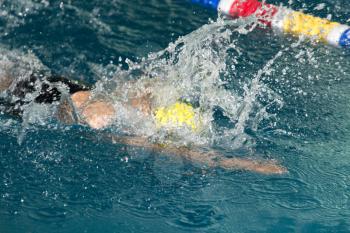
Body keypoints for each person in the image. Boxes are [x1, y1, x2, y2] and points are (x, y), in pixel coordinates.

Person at [0, 72, 287, 174]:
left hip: (63, 88)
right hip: (33, 99)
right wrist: (243, 164)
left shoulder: (128, 101)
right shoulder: (107, 121)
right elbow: (179, 152)